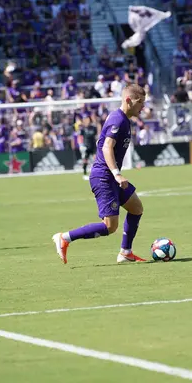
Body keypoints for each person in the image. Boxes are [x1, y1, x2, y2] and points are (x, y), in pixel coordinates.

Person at [52, 84, 147, 264]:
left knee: (136, 208)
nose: (143, 107)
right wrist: (117, 174)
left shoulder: (124, 120)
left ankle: (125, 252)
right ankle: (65, 238)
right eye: (140, 102)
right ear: (128, 100)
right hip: (104, 177)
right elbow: (106, 147)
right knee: (110, 227)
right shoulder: (117, 120)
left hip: (110, 177)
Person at [78, 116, 98, 181]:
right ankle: (84, 174)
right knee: (85, 161)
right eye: (86, 120)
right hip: (86, 147)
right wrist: (81, 145)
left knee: (96, 160)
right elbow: (80, 137)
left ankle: (97, 174)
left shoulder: (94, 128)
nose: (87, 121)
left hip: (93, 146)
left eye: (88, 120)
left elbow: (96, 136)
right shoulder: (83, 129)